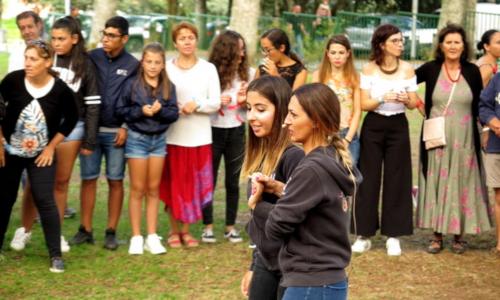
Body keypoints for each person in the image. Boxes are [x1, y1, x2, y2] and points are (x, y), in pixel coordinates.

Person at [249, 83, 358, 300]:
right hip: (327, 281)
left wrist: (257, 205)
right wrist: (284, 190)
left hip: (311, 284)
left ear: (315, 120)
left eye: (293, 114)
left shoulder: (311, 169)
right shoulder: (329, 159)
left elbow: (276, 226)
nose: (286, 121)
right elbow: (318, 208)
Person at [10, 16, 101, 253]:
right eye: (54, 38)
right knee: (33, 182)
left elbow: (92, 102)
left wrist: (90, 138)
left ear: (75, 39)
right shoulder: (43, 58)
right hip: (40, 126)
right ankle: (24, 230)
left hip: (73, 128)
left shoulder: (85, 64)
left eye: (61, 39)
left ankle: (56, 233)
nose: (57, 43)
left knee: (60, 183)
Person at [0, 40, 79, 272]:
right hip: (10, 153)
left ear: (47, 62)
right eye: (26, 57)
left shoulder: (60, 90)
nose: (28, 63)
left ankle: (55, 255)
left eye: (33, 59)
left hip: (41, 155)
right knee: (4, 199)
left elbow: (72, 118)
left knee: (45, 200)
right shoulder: (12, 81)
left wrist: (51, 147)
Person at [416, 23, 492, 254]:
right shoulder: (430, 69)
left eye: (457, 42)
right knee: (438, 180)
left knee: (463, 182)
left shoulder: (471, 71)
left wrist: (486, 131)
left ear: (464, 45)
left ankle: (459, 236)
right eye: (448, 42)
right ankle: (436, 236)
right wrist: (419, 105)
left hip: (466, 138)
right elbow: (405, 81)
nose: (452, 46)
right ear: (441, 45)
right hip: (437, 138)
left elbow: (480, 104)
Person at [69, 16, 139, 250]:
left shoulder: (133, 64)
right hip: (90, 130)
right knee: (88, 180)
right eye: (104, 34)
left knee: (115, 181)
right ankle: (85, 229)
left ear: (124, 38)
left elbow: (135, 98)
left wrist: (125, 126)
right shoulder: (92, 57)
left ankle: (111, 231)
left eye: (111, 35)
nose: (105, 39)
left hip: (116, 132)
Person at [351, 24, 418, 256]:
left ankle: (393, 235)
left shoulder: (408, 69)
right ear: (382, 45)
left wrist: (405, 98)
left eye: (401, 41)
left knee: (397, 178)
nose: (401, 44)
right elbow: (364, 104)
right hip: (374, 125)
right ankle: (364, 234)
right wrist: (381, 97)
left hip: (398, 125)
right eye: (396, 41)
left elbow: (413, 102)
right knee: (368, 177)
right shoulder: (369, 69)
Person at [240, 75, 304, 299]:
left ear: (282, 111)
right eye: (249, 108)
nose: (252, 117)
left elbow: (298, 216)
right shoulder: (261, 155)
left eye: (260, 109)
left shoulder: (294, 156)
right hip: (266, 262)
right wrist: (254, 265)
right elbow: (259, 223)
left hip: (292, 267)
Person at [159, 22, 220, 248]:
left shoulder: (208, 68)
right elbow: (157, 94)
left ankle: (187, 231)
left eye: (191, 37)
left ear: (197, 41)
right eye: (182, 38)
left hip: (199, 137)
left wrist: (196, 104)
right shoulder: (166, 67)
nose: (187, 41)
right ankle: (174, 231)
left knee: (193, 186)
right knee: (173, 184)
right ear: (175, 42)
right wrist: (169, 105)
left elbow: (215, 102)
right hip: (172, 135)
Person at [116, 43, 179, 255]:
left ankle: (151, 236)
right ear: (142, 62)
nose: (152, 66)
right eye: (149, 61)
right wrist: (141, 111)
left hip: (159, 140)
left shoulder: (169, 87)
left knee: (153, 189)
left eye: (157, 62)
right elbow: (122, 110)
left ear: (163, 64)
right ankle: (136, 236)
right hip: (137, 139)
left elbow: (173, 114)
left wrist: (160, 112)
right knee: (137, 189)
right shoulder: (132, 85)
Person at [200, 30, 255, 244]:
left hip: (236, 130)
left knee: (233, 181)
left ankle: (230, 227)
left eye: (243, 49)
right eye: (238, 49)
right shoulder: (209, 72)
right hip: (212, 130)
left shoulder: (248, 74)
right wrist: (215, 101)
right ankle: (208, 227)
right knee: (209, 179)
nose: (242, 54)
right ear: (226, 51)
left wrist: (244, 102)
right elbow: (200, 100)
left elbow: (253, 106)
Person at [313, 34, 361, 164]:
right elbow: (314, 106)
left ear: (348, 54)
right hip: (324, 132)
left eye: (341, 52)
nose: (337, 56)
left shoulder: (354, 77)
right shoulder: (319, 76)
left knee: (348, 176)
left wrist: (348, 139)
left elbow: (357, 111)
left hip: (347, 133)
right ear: (327, 54)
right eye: (333, 52)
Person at [480, 72, 500, 254]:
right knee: (499, 195)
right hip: (497, 146)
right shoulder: (497, 79)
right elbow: (484, 105)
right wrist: (493, 122)